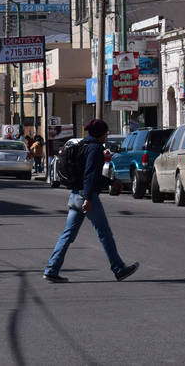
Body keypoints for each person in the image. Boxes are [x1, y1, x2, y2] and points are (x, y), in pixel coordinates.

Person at [42, 118, 139, 283]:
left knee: (68, 235)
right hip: (86, 197)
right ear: (100, 134)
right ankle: (119, 269)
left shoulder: (82, 146)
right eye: (106, 133)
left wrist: (110, 182)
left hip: (75, 195)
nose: (107, 135)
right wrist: (88, 198)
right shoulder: (95, 149)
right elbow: (90, 175)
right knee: (104, 233)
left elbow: (89, 175)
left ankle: (51, 269)